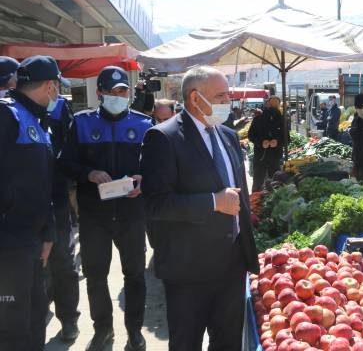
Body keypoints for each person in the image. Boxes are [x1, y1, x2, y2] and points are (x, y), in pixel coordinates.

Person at [140, 66, 259, 350]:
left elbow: (237, 192)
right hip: (188, 270)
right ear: (195, 98)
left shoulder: (228, 136)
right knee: (186, 343)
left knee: (228, 342)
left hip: (231, 265)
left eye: (227, 96)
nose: (226, 103)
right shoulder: (164, 138)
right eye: (220, 96)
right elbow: (155, 203)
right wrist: (213, 202)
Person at [59, 66, 151, 351]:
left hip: (131, 213)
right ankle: (103, 330)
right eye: (110, 92)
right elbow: (65, 163)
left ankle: (135, 330)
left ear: (129, 93)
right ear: (99, 93)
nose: (116, 96)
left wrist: (142, 181)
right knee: (96, 274)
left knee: (135, 274)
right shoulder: (82, 123)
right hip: (94, 215)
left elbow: (156, 168)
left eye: (122, 91)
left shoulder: (145, 124)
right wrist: (88, 173)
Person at [0, 55, 64, 350]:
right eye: (58, 88)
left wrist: (48, 232)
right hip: (9, 244)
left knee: (36, 316)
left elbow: (43, 185)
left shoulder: (39, 122)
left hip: (32, 243)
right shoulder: (6, 115)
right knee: (12, 328)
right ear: (50, 86)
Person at [48, 96, 81, 341]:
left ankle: (68, 319)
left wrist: (71, 191)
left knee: (63, 262)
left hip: (55, 194)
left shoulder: (58, 107)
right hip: (18, 205)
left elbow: (68, 152)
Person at [248, 95, 285, 192]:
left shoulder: (282, 120)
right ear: (267, 104)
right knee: (258, 182)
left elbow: (287, 139)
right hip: (261, 156)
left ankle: (274, 202)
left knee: (276, 183)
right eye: (271, 104)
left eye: (275, 105)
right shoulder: (258, 119)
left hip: (275, 157)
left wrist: (277, 142)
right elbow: (251, 135)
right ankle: (255, 202)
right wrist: (261, 142)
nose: (273, 107)